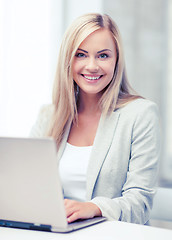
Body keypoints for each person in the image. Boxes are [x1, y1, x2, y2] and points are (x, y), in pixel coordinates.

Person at [30, 13, 160, 224]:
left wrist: (94, 208)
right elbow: (28, 185)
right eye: (81, 55)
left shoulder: (141, 114)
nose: (92, 66)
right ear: (68, 60)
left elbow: (140, 204)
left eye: (103, 55)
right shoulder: (49, 116)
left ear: (116, 60)